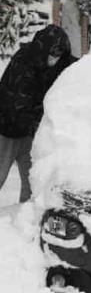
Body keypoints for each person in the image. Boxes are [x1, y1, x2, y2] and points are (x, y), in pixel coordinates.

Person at [0, 25, 76, 203]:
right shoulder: (23, 63)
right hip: (6, 131)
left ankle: (24, 221)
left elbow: (74, 64)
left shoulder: (59, 60)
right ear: (43, 48)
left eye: (59, 54)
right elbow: (17, 106)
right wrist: (43, 124)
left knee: (35, 184)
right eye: (53, 53)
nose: (55, 59)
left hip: (31, 134)